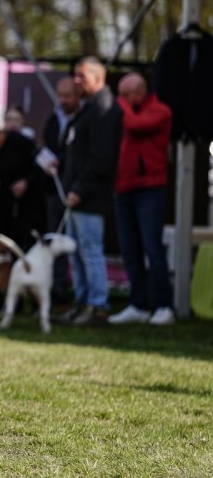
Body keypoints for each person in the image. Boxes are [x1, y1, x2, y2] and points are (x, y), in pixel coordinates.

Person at [57, 56, 123, 327]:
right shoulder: (90, 108)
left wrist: (80, 189)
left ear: (98, 77)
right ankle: (82, 303)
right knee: (77, 254)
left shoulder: (105, 108)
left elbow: (101, 158)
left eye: (81, 76)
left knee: (90, 252)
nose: (76, 81)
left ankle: (97, 306)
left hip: (90, 197)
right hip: (77, 195)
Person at [109, 73, 175, 326]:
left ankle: (162, 305)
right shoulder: (127, 113)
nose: (122, 100)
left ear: (139, 92)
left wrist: (121, 104)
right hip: (124, 188)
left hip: (149, 188)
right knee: (130, 249)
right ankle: (138, 304)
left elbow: (136, 125)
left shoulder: (160, 111)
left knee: (152, 247)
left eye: (126, 95)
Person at [0, 111, 46, 252]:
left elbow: (41, 161)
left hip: (31, 198)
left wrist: (26, 181)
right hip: (8, 202)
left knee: (31, 242)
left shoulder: (16, 140)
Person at [41, 75, 81, 303]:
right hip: (53, 188)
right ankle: (56, 286)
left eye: (67, 96)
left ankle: (78, 291)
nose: (63, 100)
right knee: (54, 236)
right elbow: (47, 146)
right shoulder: (53, 118)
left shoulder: (83, 119)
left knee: (74, 241)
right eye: (60, 96)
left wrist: (62, 161)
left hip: (75, 190)